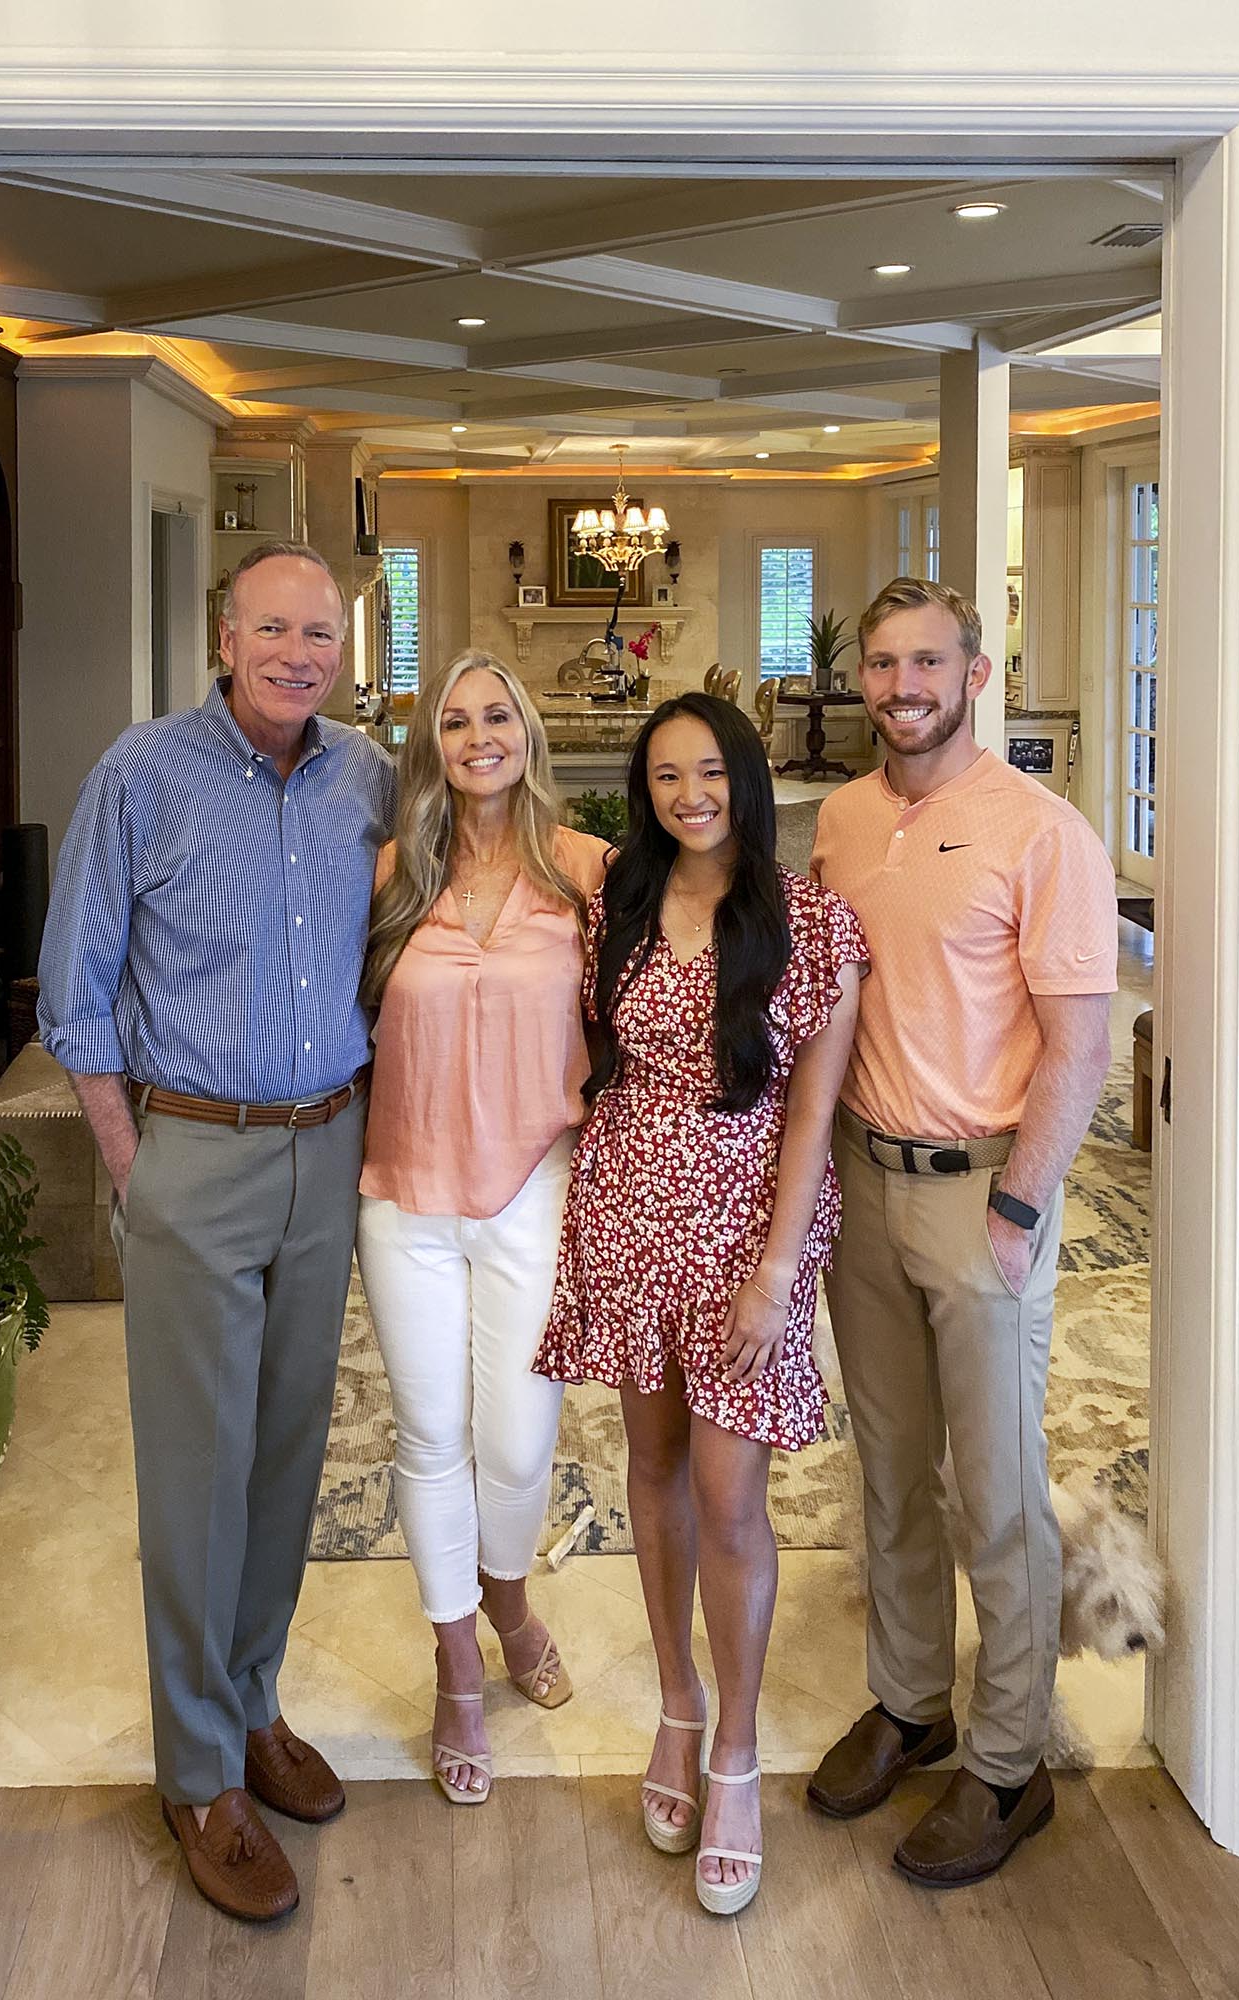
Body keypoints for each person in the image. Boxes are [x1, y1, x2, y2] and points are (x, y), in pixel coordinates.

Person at [37, 542, 394, 1923]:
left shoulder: (365, 777)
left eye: (321, 632)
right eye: (274, 628)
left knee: (290, 1454)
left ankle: (249, 1707)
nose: (300, 652)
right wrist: (135, 1167)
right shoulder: (144, 773)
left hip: (329, 1144)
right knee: (198, 1470)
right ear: (224, 635)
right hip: (194, 1148)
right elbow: (78, 986)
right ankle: (194, 1772)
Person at [807, 575, 1116, 1886]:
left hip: (980, 1190)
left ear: (973, 675)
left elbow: (1082, 1042)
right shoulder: (839, 817)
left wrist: (1019, 1206)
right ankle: (912, 1702)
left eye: (926, 662)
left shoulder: (1042, 832)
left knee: (994, 1493)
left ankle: (1008, 1764)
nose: (900, 686)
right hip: (862, 1186)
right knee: (889, 1469)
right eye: (882, 664)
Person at [535, 692, 866, 1916]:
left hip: (744, 1235)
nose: (690, 794)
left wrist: (780, 1269)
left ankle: (737, 1745)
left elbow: (814, 1110)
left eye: (711, 771)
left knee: (732, 1495)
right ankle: (676, 1706)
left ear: (747, 777)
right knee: (654, 1465)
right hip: (629, 1212)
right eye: (667, 775)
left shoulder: (812, 921)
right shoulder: (612, 905)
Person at [355, 650, 609, 1807]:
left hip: (533, 1188)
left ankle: (510, 1596)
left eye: (495, 713)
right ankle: (459, 1659)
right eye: (453, 720)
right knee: (428, 1431)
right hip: (402, 1194)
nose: (476, 735)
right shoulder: (393, 872)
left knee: (515, 1440)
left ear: (528, 730)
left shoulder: (588, 872)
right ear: (432, 745)